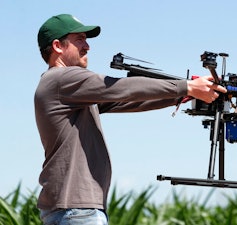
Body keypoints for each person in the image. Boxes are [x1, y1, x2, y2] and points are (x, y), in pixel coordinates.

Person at [35, 14, 226, 225]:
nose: (87, 46)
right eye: (79, 39)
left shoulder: (62, 87)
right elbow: (121, 88)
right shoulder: (64, 78)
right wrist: (186, 86)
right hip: (77, 210)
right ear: (57, 46)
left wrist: (185, 95)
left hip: (68, 209)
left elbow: (127, 101)